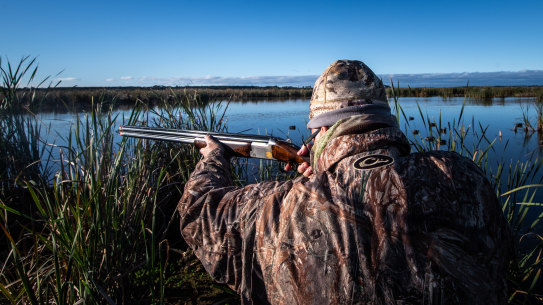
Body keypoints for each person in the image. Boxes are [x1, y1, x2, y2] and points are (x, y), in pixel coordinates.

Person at [178, 60, 513, 304]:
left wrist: (213, 157)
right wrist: (327, 171)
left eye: (313, 132)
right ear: (383, 120)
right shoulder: (462, 177)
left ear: (323, 130)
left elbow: (197, 212)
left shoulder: (276, 207)